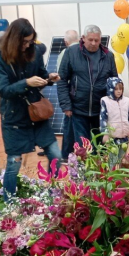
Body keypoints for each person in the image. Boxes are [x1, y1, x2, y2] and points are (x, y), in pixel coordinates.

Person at [0, 18, 61, 201]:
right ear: (14, 39)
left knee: (55, 154)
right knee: (14, 162)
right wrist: (26, 82)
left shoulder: (35, 51)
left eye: (31, 41)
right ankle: (9, 200)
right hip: (14, 117)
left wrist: (49, 78)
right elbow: (3, 90)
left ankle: (52, 195)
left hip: (37, 114)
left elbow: (41, 75)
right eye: (25, 41)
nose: (28, 45)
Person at [57, 24, 118, 148]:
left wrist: (113, 106)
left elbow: (114, 82)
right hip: (78, 109)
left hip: (100, 111)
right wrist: (66, 105)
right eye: (90, 40)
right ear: (83, 38)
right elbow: (62, 80)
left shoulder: (108, 56)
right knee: (83, 148)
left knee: (100, 148)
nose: (94, 43)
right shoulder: (71, 53)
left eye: (97, 40)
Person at [99, 76, 129, 165]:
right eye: (116, 89)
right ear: (110, 89)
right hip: (112, 137)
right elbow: (103, 118)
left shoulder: (126, 100)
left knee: (123, 159)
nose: (119, 91)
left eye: (121, 89)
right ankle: (112, 173)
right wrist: (105, 134)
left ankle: (121, 173)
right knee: (112, 160)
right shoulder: (105, 101)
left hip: (124, 136)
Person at [58, 29, 79, 160]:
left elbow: (60, 78)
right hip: (79, 98)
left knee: (68, 128)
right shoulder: (83, 52)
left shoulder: (64, 53)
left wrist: (65, 104)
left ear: (66, 42)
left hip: (70, 97)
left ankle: (66, 155)